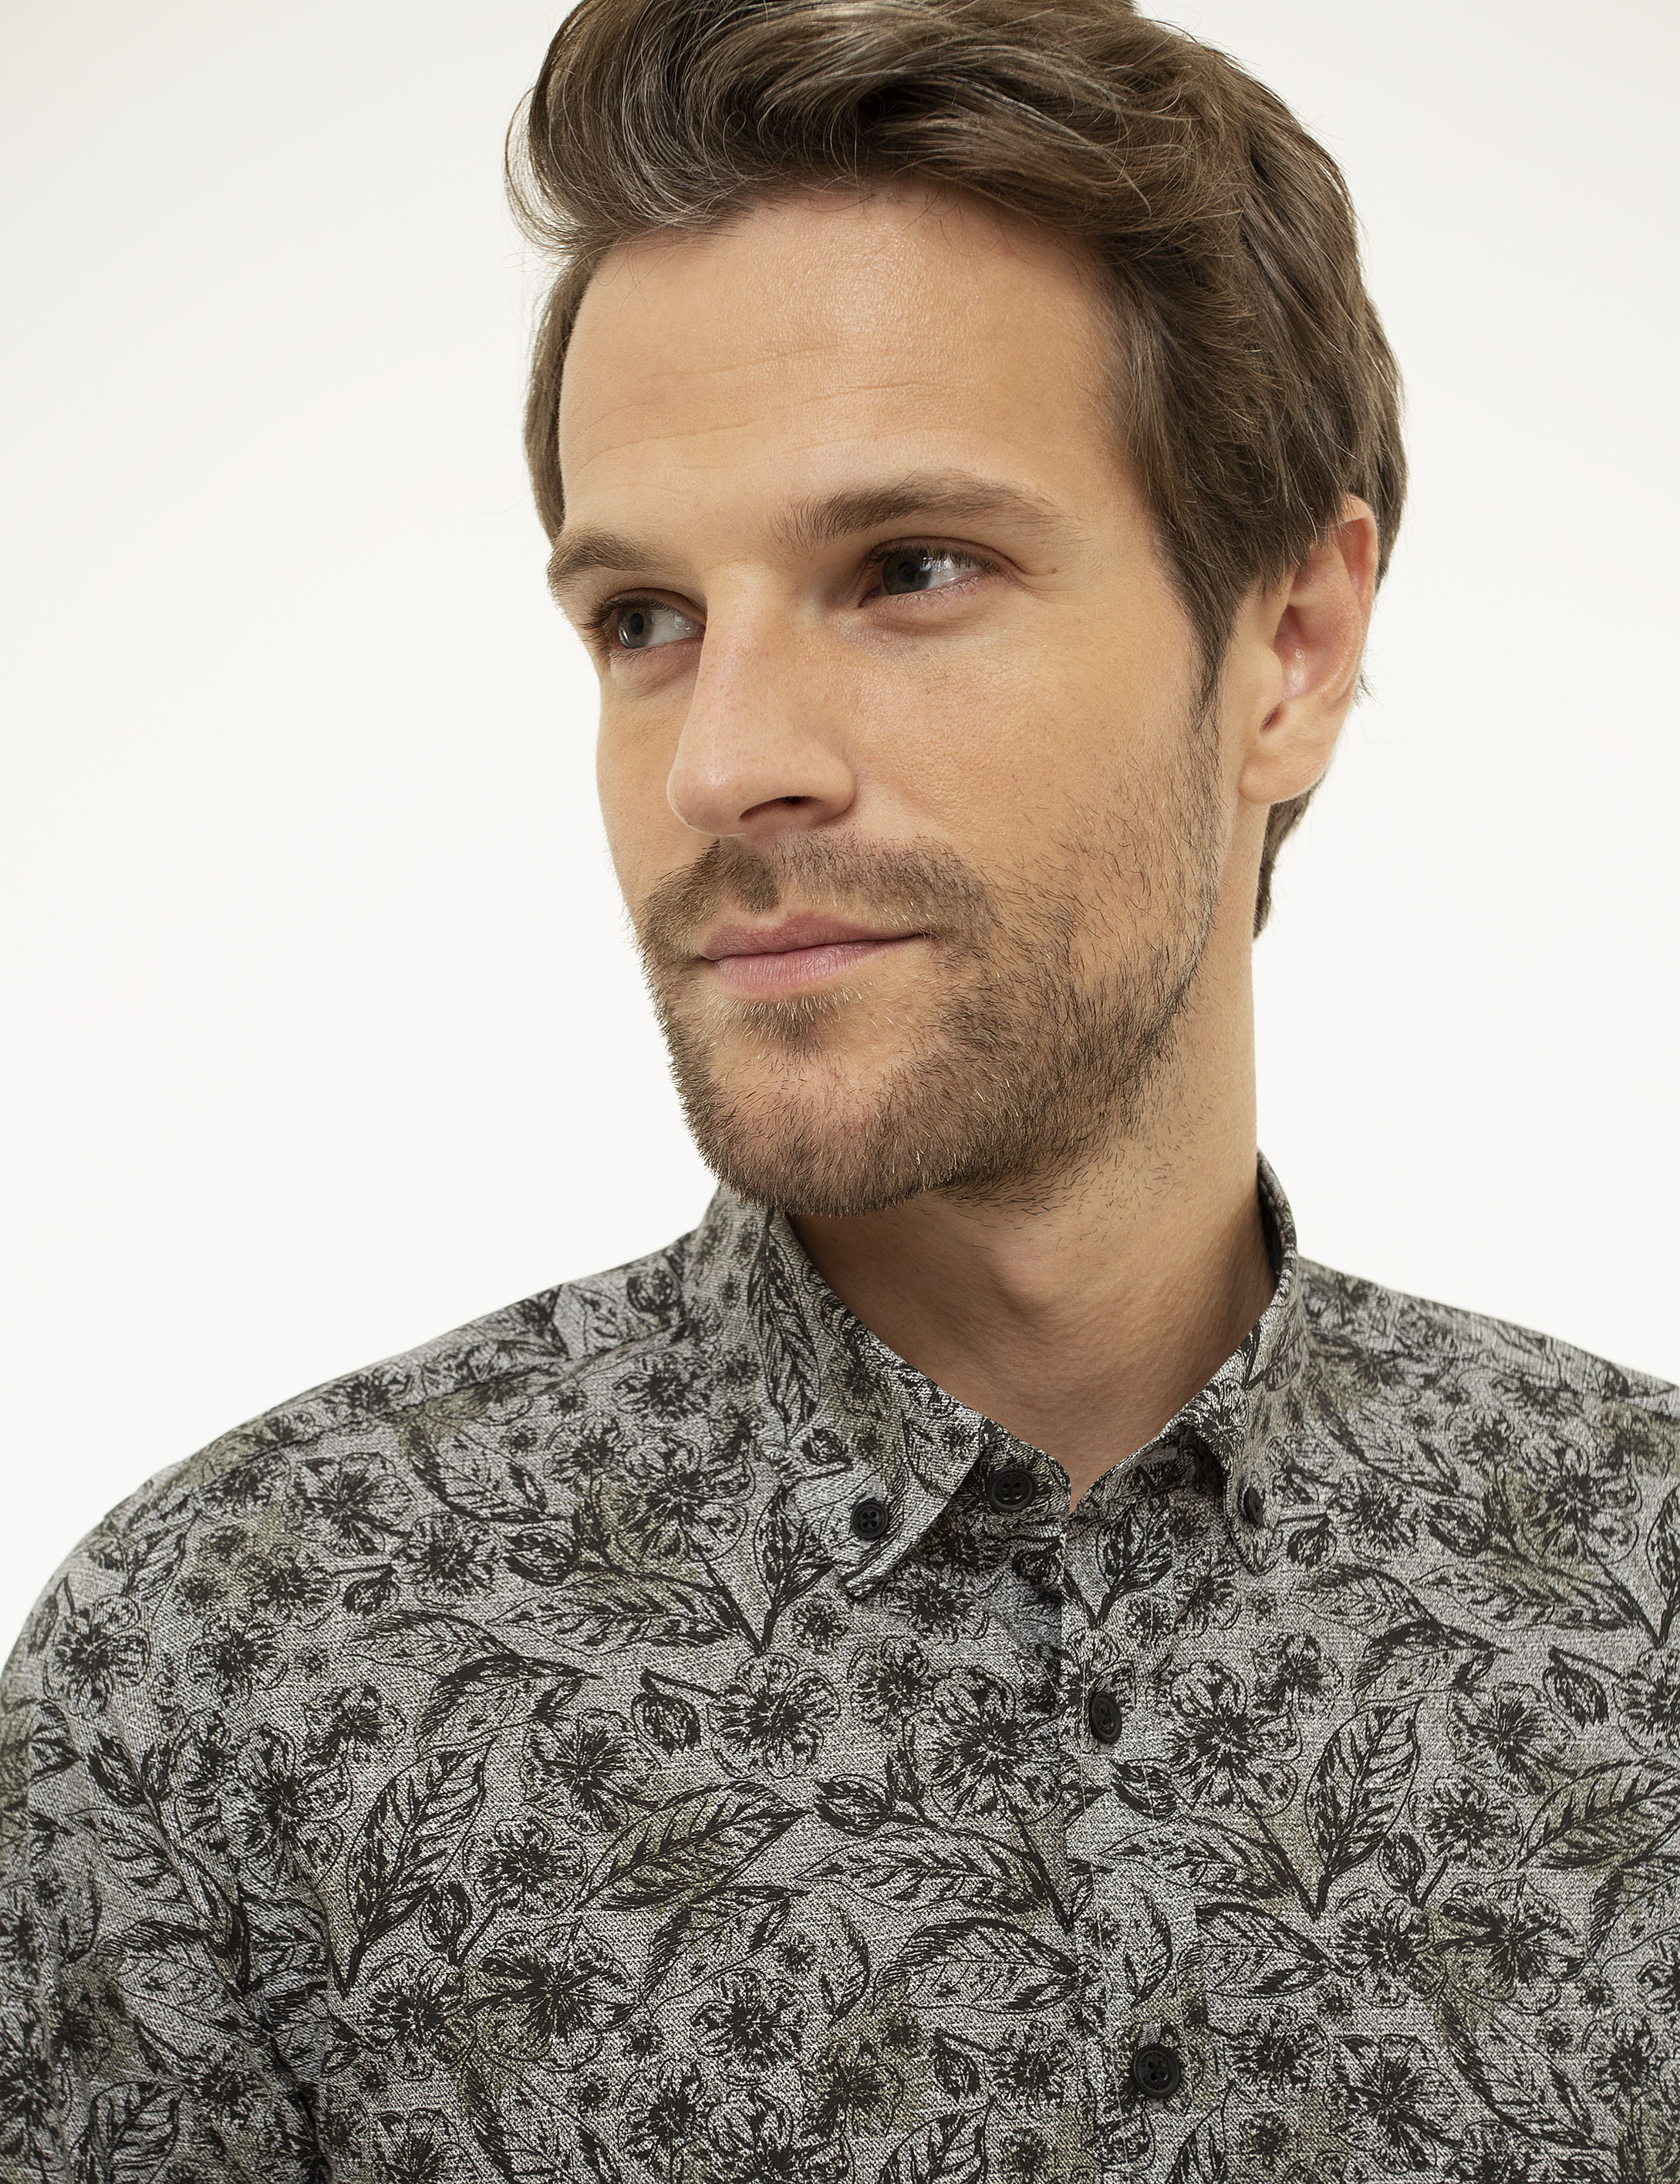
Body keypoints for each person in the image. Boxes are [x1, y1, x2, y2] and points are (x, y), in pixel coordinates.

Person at [2, 0, 1675, 2176]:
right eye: (642, 618)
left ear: (1290, 643)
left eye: (910, 570)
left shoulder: (1640, 1595)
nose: (722, 764)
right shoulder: (226, 1677)